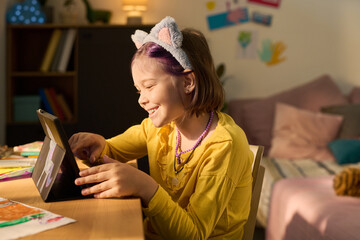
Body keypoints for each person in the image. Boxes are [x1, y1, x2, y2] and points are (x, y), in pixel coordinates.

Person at [69, 16, 253, 239]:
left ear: (187, 82)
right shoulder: (160, 128)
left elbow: (193, 234)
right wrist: (99, 145)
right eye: (138, 90)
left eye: (149, 86)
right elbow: (111, 151)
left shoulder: (224, 145)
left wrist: (145, 186)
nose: (141, 99)